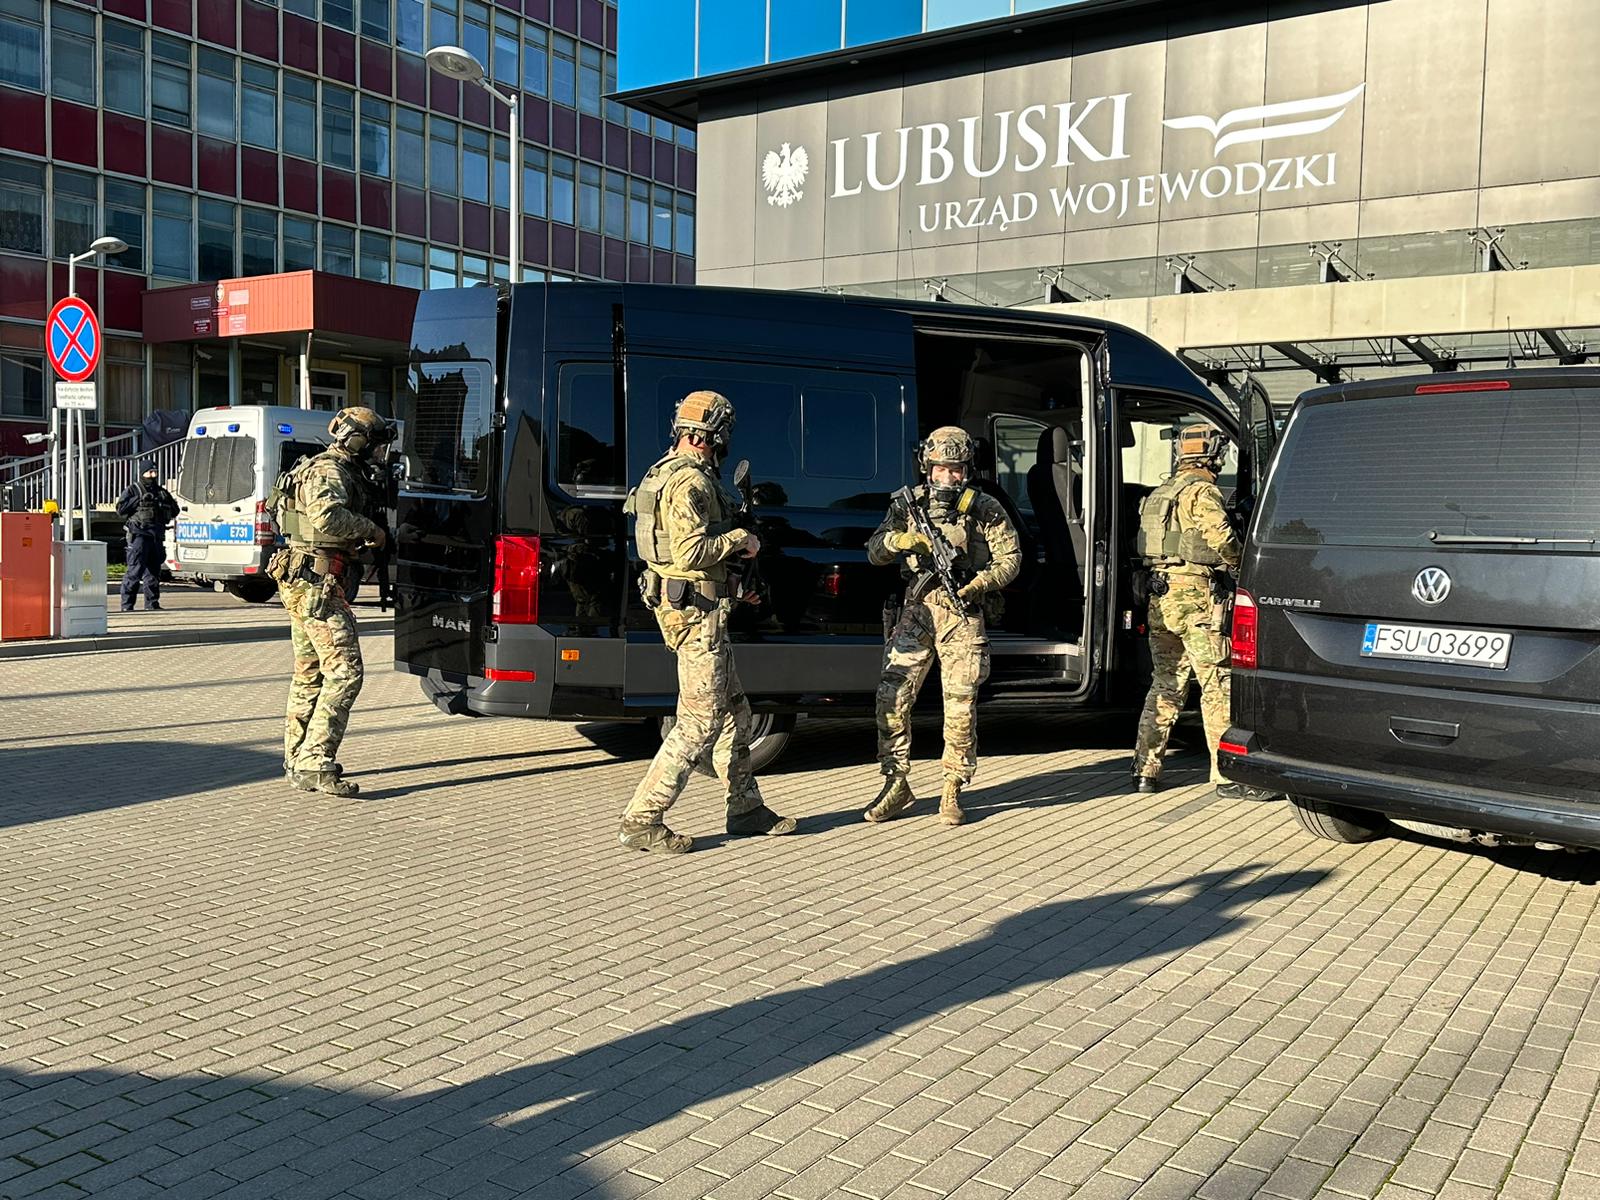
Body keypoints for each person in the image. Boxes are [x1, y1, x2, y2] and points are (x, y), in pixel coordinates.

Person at [618, 390, 797, 853]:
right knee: (698, 722)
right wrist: (742, 539)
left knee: (736, 711)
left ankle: (746, 808)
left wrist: (735, 588)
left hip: (702, 611)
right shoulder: (689, 482)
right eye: (724, 436)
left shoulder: (666, 472)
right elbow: (690, 553)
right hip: (696, 620)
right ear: (711, 436)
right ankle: (642, 818)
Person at [864, 426, 1021, 827]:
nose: (947, 477)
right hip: (917, 611)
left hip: (962, 614)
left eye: (956, 469)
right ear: (927, 466)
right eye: (940, 468)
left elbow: (1011, 559)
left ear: (967, 470)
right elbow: (874, 551)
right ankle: (895, 783)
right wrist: (899, 542)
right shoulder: (908, 504)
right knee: (891, 697)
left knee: (960, 706)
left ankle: (952, 786)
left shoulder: (983, 507)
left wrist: (978, 584)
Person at [1131, 423, 1271, 800]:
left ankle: (1145, 770)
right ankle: (1227, 775)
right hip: (1196, 599)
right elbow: (1221, 537)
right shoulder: (1202, 491)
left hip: (1160, 598)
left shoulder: (1160, 493)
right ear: (1214, 457)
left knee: (1165, 683)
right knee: (1216, 683)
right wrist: (1243, 566)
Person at [267, 406, 395, 798]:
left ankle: (298, 759)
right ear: (356, 440)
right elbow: (326, 518)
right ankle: (315, 762)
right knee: (345, 672)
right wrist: (372, 531)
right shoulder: (329, 469)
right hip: (316, 585)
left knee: (309, 673)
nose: (378, 452)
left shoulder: (332, 467)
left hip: (307, 580)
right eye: (374, 444)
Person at [115, 459, 177, 612]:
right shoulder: (133, 490)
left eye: (155, 472)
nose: (153, 475)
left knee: (153, 573)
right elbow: (120, 509)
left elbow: (175, 510)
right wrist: (139, 500)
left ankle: (152, 604)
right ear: (142, 473)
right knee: (134, 571)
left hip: (156, 537)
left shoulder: (161, 492)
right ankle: (127, 606)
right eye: (150, 472)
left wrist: (163, 505)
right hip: (139, 536)